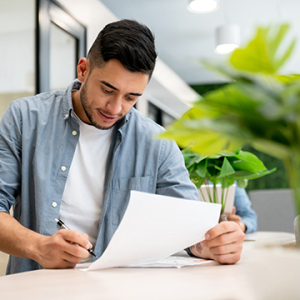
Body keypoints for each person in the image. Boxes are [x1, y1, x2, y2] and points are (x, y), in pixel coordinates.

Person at [0, 19, 245, 275]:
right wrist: (39, 247)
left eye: (131, 98)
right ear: (83, 70)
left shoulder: (158, 143)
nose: (115, 108)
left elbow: (190, 230)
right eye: (107, 89)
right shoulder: (24, 119)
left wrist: (211, 245)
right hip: (36, 285)